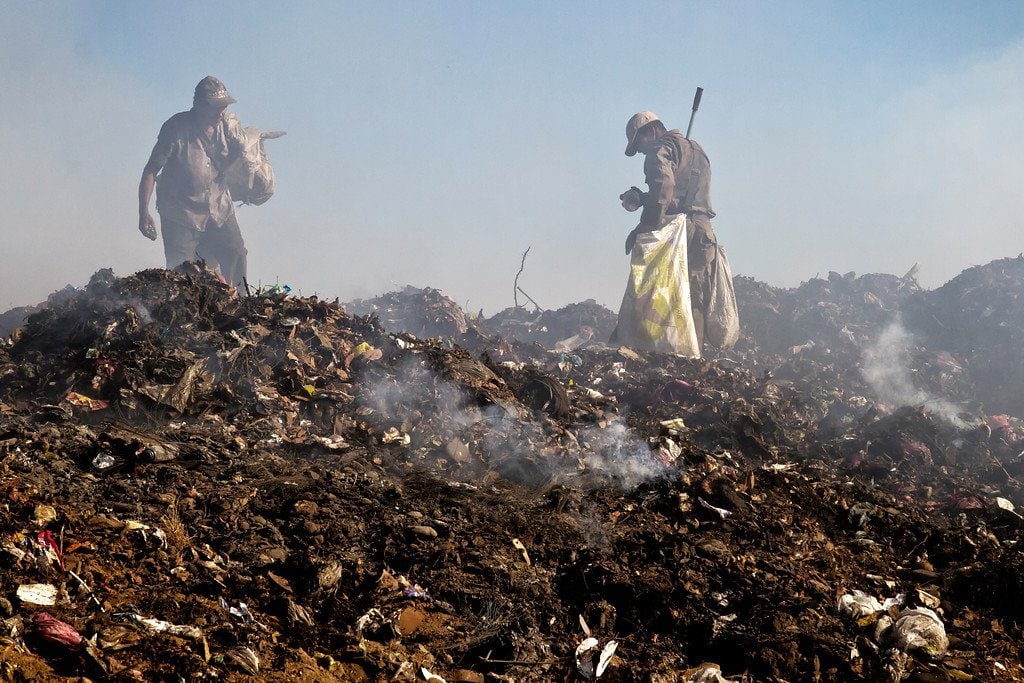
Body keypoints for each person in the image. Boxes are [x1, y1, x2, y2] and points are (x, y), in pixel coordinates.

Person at [618, 111, 719, 350]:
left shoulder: (658, 150)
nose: (641, 151)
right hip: (703, 233)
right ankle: (693, 355)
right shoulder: (697, 150)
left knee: (653, 288)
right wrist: (645, 198)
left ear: (651, 131)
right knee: (694, 296)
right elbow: (682, 193)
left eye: (639, 144)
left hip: (678, 232)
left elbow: (665, 187)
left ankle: (650, 347)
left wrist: (646, 227)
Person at [138, 76, 248, 287]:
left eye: (223, 107)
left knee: (235, 252)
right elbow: (151, 170)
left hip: (218, 208)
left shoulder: (227, 127)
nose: (220, 112)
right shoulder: (175, 128)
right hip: (181, 214)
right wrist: (144, 212)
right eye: (215, 107)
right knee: (182, 274)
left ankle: (241, 304)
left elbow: (236, 159)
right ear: (198, 105)